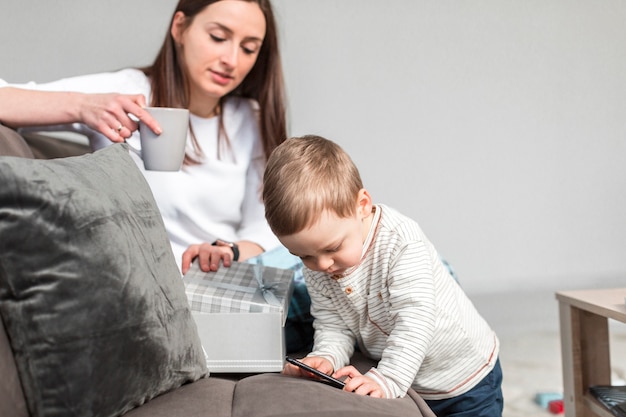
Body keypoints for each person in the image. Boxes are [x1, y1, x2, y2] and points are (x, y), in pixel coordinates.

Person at [0, 0, 286, 270]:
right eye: (218, 37)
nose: (231, 60)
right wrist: (83, 106)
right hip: (145, 282)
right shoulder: (131, 92)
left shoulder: (249, 118)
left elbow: (264, 225)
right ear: (180, 28)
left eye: (249, 48)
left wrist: (229, 251)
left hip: (222, 281)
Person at [262, 135, 503, 417]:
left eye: (333, 248)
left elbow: (415, 321)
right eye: (303, 256)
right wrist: (326, 356)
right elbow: (333, 324)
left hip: (465, 378)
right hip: (411, 380)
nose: (322, 264)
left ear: (362, 205)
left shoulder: (401, 243)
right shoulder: (318, 264)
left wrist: (387, 378)